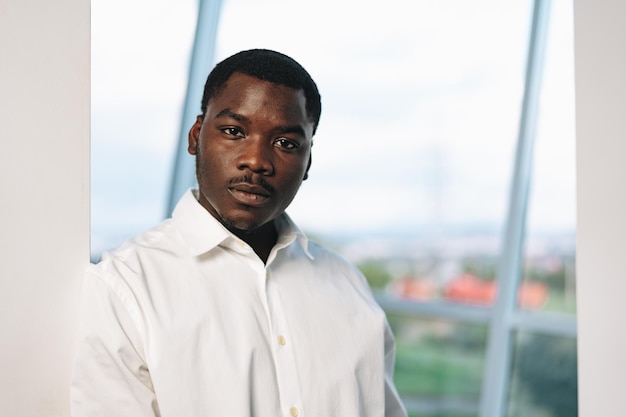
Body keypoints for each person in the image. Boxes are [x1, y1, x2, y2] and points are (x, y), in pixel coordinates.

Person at [71, 49, 407, 417]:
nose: (257, 161)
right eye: (234, 131)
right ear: (196, 136)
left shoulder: (349, 287)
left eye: (286, 143)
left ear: (308, 161)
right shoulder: (123, 289)